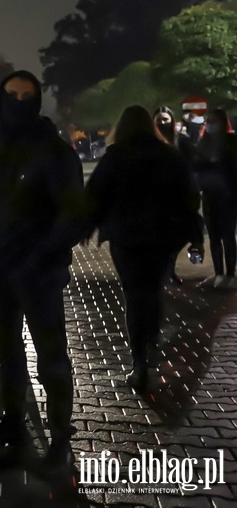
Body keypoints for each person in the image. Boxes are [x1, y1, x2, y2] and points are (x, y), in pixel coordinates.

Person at [0, 70, 84, 477]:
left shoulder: (55, 152)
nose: (17, 103)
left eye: (25, 96)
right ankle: (13, 422)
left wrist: (39, 255)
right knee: (9, 355)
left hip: (41, 274)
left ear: (36, 100)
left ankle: (61, 438)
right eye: (10, 95)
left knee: (51, 357)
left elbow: (72, 215)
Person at [85, 106, 204, 391]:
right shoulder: (170, 156)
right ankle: (151, 345)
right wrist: (194, 234)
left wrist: (86, 227)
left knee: (134, 295)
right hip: (162, 238)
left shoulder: (115, 157)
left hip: (126, 239)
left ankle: (139, 360)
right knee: (153, 292)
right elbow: (189, 197)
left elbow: (95, 195)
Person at [194, 108, 237, 289]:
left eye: (214, 121)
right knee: (213, 237)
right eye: (208, 121)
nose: (210, 124)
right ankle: (218, 273)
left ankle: (230, 274)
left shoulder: (232, 141)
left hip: (227, 197)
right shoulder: (203, 143)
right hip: (209, 196)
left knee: (228, 236)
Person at [153, 106, 195, 285]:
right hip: (158, 197)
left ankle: (168, 267)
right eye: (159, 120)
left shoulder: (181, 141)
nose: (163, 123)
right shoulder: (151, 142)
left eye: (165, 119)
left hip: (179, 195)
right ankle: (165, 271)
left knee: (181, 234)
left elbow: (192, 164)